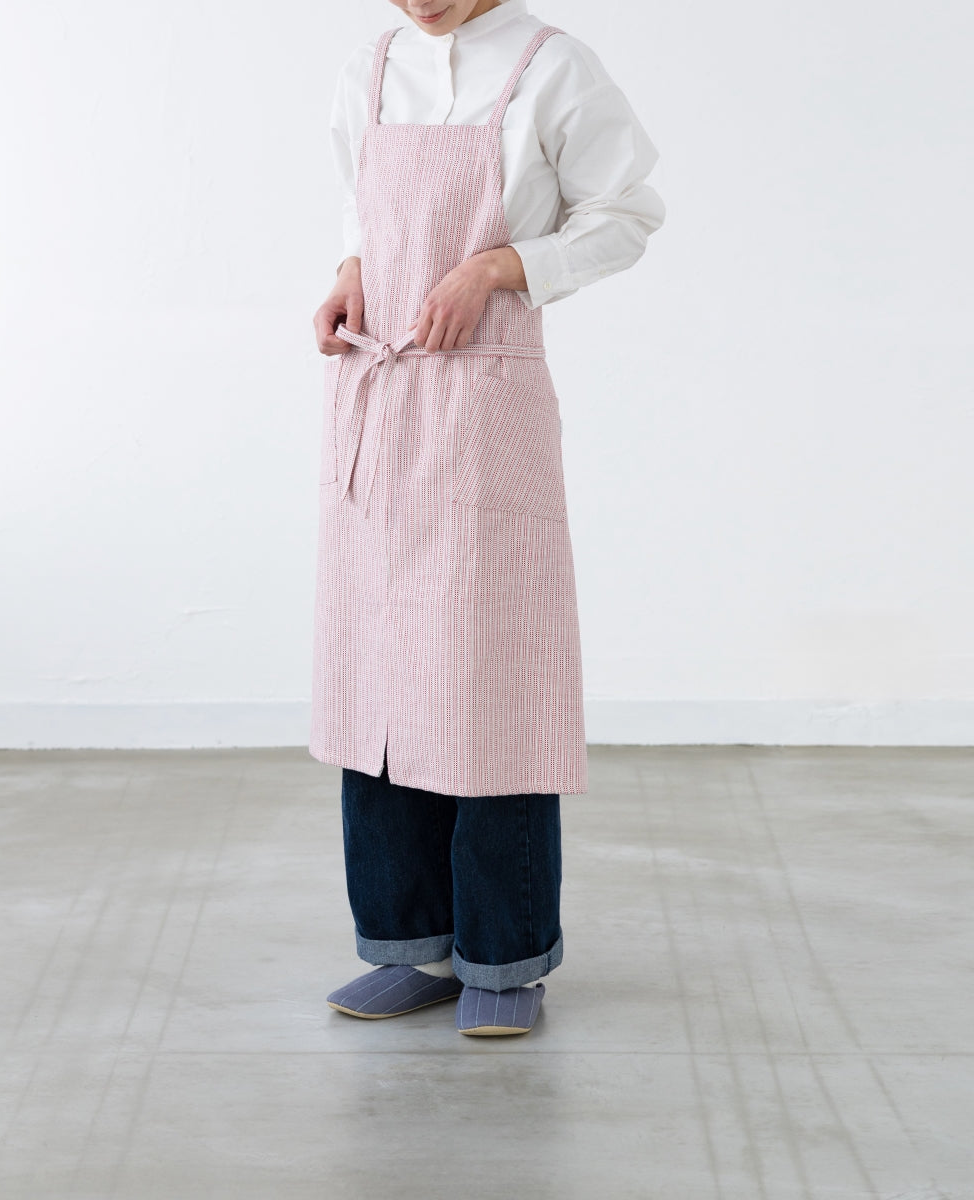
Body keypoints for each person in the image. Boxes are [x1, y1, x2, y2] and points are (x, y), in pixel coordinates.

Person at [309, 0, 664, 1036]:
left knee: (488, 680)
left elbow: (626, 214)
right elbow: (358, 211)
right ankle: (410, 946)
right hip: (379, 389)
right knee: (381, 676)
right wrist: (349, 276)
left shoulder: (552, 67)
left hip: (484, 401)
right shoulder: (371, 67)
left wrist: (499, 267)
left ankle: (504, 958)